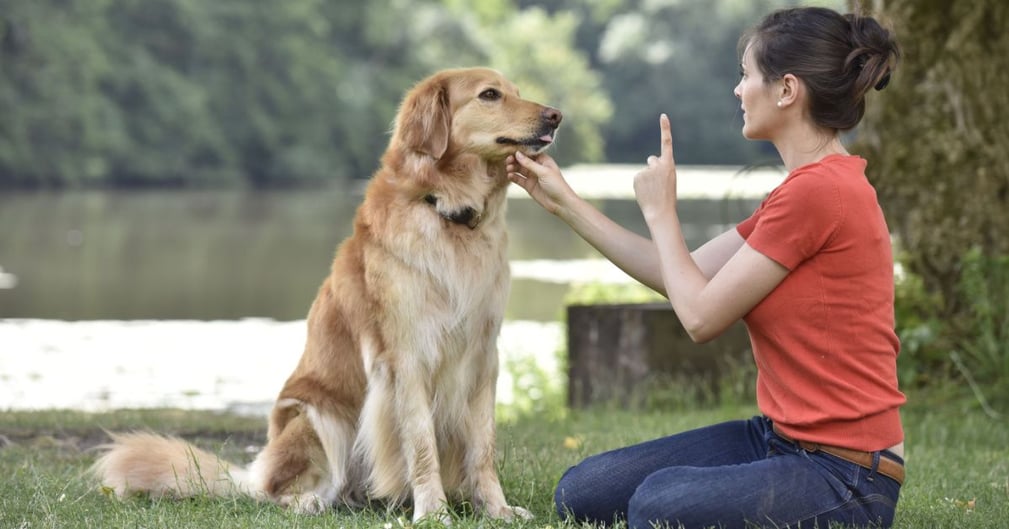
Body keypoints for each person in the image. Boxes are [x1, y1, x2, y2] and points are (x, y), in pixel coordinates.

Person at [506, 6, 905, 529]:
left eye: (746, 75)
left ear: (787, 90)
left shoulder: (820, 193)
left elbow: (698, 317)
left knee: (657, 505)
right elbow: (683, 275)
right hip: (781, 442)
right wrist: (564, 202)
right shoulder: (802, 191)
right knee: (583, 491)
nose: (738, 90)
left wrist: (662, 213)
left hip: (846, 475)